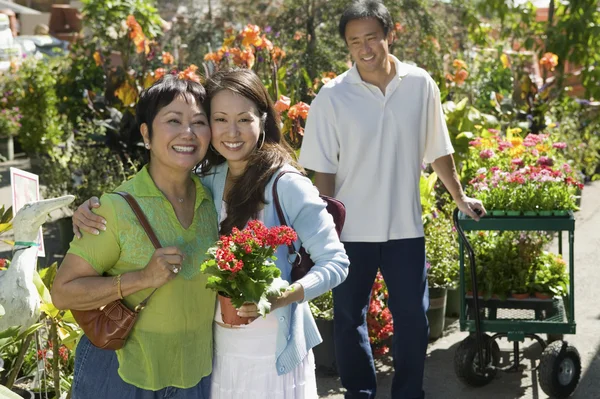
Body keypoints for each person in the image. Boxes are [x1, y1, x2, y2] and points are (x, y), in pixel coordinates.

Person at [72, 68, 350, 399]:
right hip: (218, 355)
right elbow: (157, 187)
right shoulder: (209, 181)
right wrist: (89, 208)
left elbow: (336, 263)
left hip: (271, 354)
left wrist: (283, 296)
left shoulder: (287, 185)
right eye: (219, 119)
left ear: (263, 120)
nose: (232, 132)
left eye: (244, 119)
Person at [298, 1, 486, 398]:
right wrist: (321, 228)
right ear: (347, 46)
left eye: (371, 38)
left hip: (404, 228)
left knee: (414, 320)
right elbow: (323, 171)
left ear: (389, 34)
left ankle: (407, 393)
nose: (364, 48)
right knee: (349, 320)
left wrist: (460, 195)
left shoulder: (420, 84)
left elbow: (439, 149)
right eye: (355, 41)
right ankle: (360, 393)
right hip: (350, 233)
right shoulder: (332, 97)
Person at [51, 74, 218, 399]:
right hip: (122, 377)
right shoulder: (114, 209)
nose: (188, 133)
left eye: (199, 122)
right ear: (146, 133)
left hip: (194, 375)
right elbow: (63, 293)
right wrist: (140, 278)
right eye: (173, 120)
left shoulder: (212, 198)